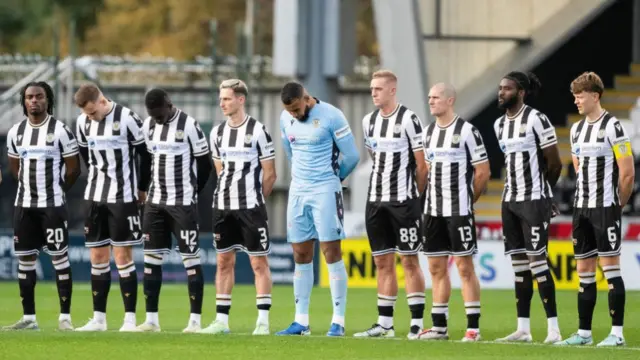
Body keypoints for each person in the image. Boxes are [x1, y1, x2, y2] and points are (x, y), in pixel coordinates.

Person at [276, 82, 360, 336]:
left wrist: (334, 180)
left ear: (306, 98)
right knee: (301, 254)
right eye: (289, 110)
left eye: (296, 108)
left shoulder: (332, 115)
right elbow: (290, 152)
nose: (294, 114)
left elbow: (352, 156)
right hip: (298, 191)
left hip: (325, 190)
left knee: (331, 251)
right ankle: (301, 321)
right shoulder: (285, 118)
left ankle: (338, 321)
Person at [554, 72, 632, 347]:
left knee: (611, 270)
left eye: (580, 95)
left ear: (595, 96)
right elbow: (577, 166)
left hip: (605, 208)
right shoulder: (576, 129)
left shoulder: (613, 126)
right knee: (584, 271)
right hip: (582, 208)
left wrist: (616, 205)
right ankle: (584, 334)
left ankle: (617, 334)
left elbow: (627, 173)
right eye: (575, 95)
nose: (576, 100)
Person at [353, 70, 426, 339]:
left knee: (409, 260)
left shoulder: (409, 119)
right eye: (372, 89)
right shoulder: (368, 121)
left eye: (378, 89)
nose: (373, 93)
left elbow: (421, 165)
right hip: (375, 202)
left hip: (403, 202)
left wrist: (413, 196)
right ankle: (385, 324)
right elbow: (373, 155)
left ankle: (417, 322)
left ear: (392, 91)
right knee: (382, 262)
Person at [199, 79, 277, 335]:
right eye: (221, 99)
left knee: (258, 263)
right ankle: (221, 322)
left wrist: (256, 199)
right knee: (223, 262)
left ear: (240, 100)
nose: (222, 103)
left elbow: (270, 174)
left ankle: (262, 322)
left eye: (227, 99)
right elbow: (220, 170)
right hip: (223, 207)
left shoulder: (257, 130)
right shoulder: (217, 132)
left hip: (251, 208)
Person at [2, 82, 81, 331]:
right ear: (24, 102)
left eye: (38, 96)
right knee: (26, 259)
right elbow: (15, 168)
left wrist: (56, 191)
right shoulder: (16, 132)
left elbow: (73, 169)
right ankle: (29, 319)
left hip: (53, 206)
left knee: (59, 257)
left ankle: (65, 318)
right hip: (24, 206)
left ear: (48, 100)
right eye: (29, 97)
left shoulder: (60, 131)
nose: (33, 101)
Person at [72, 83, 150, 332]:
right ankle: (99, 319)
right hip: (94, 197)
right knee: (97, 257)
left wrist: (142, 187)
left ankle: (129, 320)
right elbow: (85, 156)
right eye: (87, 113)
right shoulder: (82, 122)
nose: (90, 117)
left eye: (93, 112)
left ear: (102, 101)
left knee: (123, 257)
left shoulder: (128, 118)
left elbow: (144, 154)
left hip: (123, 197)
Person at [492, 71, 563, 344]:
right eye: (500, 88)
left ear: (521, 92)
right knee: (519, 266)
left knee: (538, 263)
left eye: (507, 88)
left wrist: (545, 193)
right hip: (509, 200)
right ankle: (523, 328)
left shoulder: (536, 119)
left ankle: (554, 330)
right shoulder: (499, 125)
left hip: (534, 200)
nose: (501, 92)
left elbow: (554, 162)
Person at [416, 83, 490, 342]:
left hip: (459, 211)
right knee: (436, 268)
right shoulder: (427, 133)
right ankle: (439, 327)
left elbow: (483, 171)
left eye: (435, 97)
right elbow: (424, 170)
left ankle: (473, 328)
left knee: (464, 267)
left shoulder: (468, 131)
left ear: (450, 100)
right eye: (429, 98)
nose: (431, 101)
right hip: (433, 211)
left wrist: (469, 201)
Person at [135, 88, 214, 333]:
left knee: (190, 260)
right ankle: (151, 320)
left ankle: (194, 322)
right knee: (150, 261)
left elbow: (205, 164)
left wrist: (193, 192)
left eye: (160, 114)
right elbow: (147, 160)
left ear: (169, 105)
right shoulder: (148, 125)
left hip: (182, 203)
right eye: (153, 115)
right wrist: (142, 188)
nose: (157, 119)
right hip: (155, 204)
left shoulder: (189, 125)